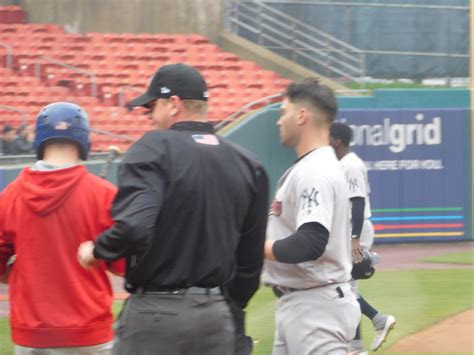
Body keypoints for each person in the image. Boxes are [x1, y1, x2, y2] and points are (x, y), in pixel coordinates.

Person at [77, 63, 269, 355]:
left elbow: (134, 227)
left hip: (157, 315)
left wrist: (98, 250)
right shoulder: (247, 163)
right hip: (217, 314)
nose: (150, 118)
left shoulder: (152, 148)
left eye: (152, 108)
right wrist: (227, 305)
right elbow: (250, 258)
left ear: (174, 104)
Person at [0, 102, 123, 354]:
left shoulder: (10, 195)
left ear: (40, 139)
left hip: (31, 335)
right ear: (83, 140)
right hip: (90, 333)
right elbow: (122, 266)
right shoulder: (104, 194)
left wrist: (22, 272)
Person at [262, 78, 361, 355]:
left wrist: (255, 245)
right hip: (305, 303)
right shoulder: (313, 165)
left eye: (283, 112)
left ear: (302, 116)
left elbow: (310, 243)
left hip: (316, 308)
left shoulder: (314, 170)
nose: (279, 121)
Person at [329, 122, 396, 354]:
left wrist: (354, 238)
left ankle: (377, 321)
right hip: (350, 231)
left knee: (345, 288)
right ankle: (358, 344)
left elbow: (357, 201)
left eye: (329, 137)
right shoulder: (342, 164)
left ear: (336, 140)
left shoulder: (351, 164)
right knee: (348, 288)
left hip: (355, 230)